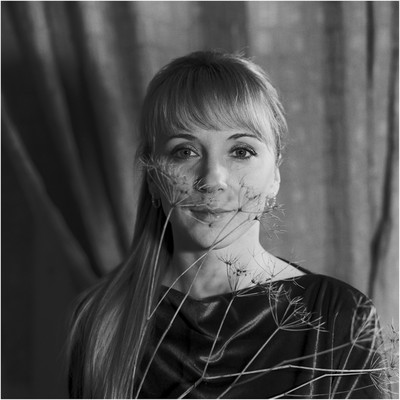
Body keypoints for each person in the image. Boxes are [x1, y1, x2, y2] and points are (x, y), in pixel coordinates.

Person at [67, 51, 391, 399]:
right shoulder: (101, 319)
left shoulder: (340, 317)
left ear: (275, 175)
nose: (212, 180)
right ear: (153, 179)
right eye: (184, 151)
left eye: (241, 152)